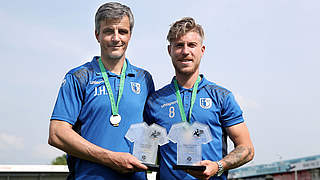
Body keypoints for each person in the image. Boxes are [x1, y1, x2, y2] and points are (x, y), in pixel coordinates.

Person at [48, 2, 154, 180]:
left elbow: (155, 130)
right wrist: (110, 158)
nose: (116, 38)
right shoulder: (79, 76)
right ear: (97, 35)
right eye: (108, 31)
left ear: (130, 35)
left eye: (122, 31)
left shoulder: (144, 79)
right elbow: (57, 134)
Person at [144, 17, 254, 180]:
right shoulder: (154, 101)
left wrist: (218, 166)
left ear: (202, 50)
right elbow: (147, 152)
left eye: (191, 45)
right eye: (179, 45)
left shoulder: (221, 96)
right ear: (170, 50)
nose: (185, 51)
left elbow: (247, 149)